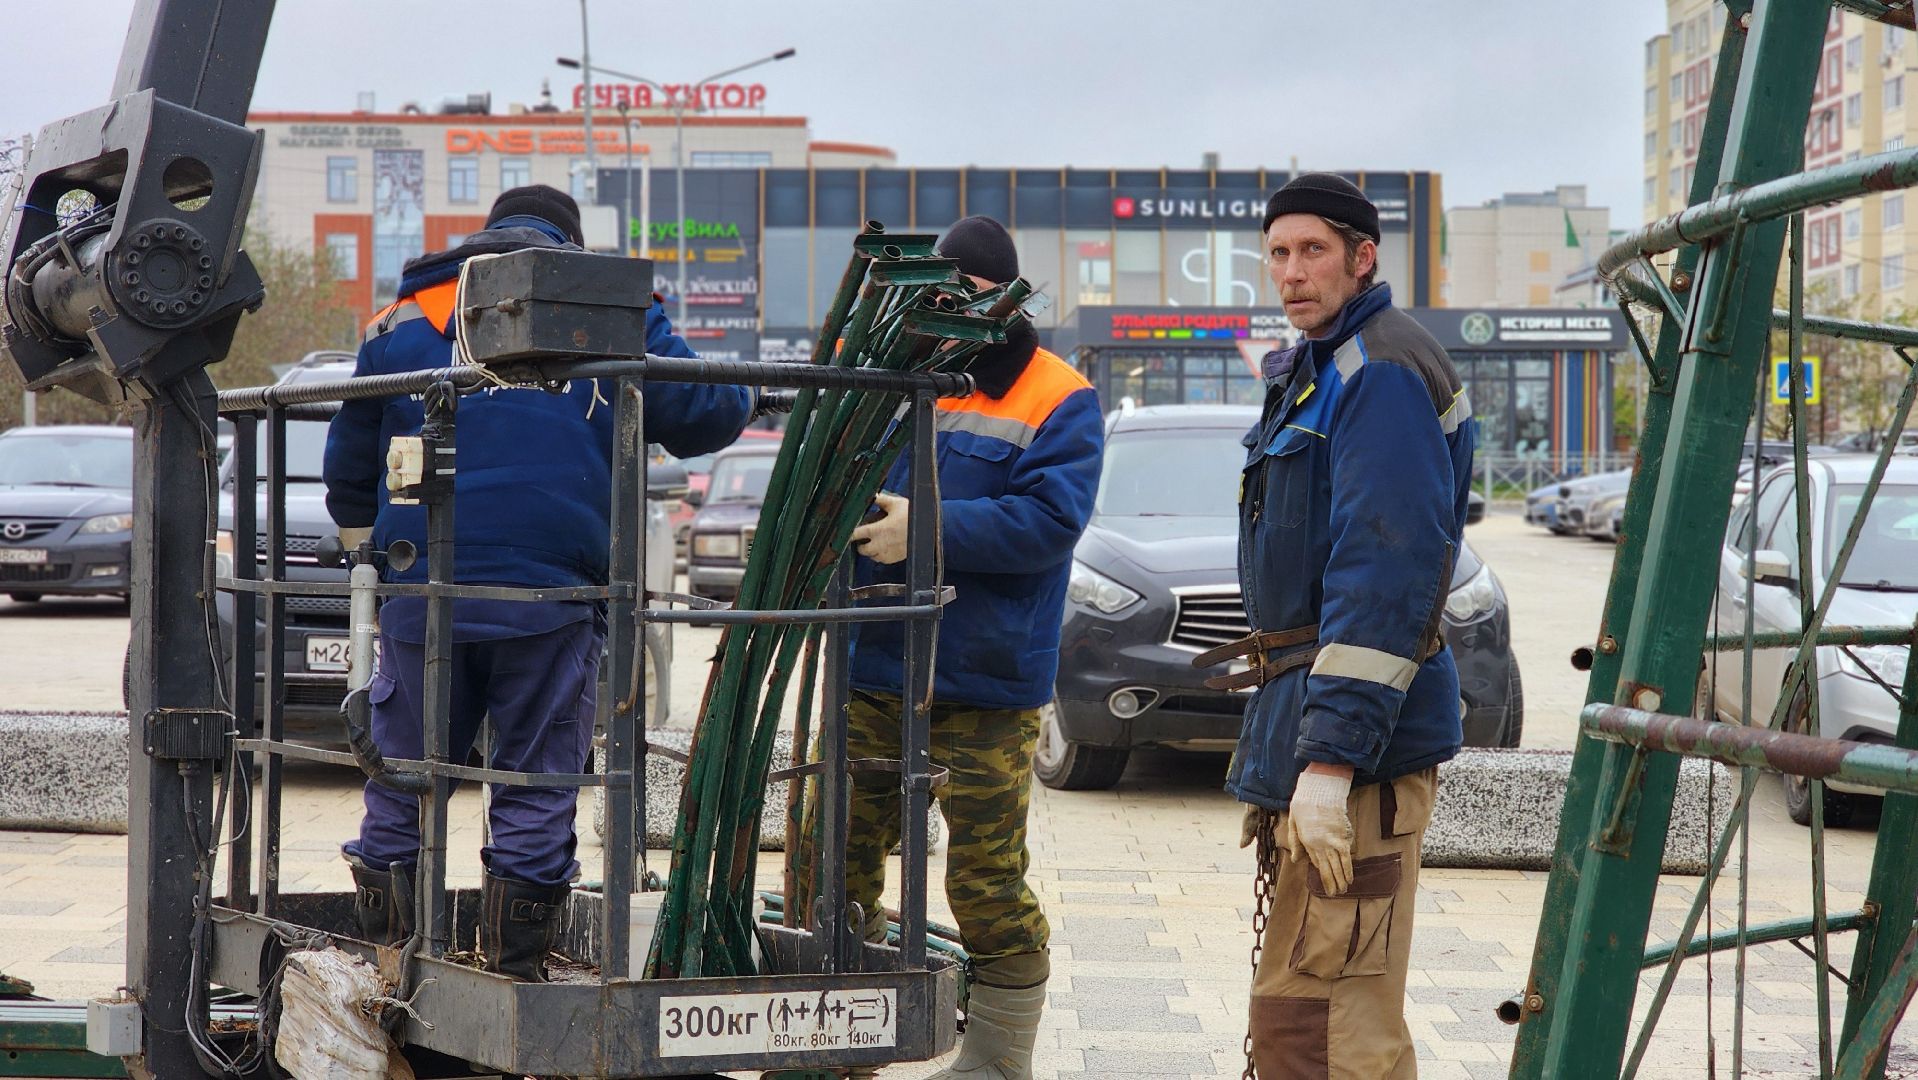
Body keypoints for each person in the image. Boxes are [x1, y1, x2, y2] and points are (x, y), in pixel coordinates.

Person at [323, 184, 754, 981]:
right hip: (551, 599)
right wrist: (679, 340)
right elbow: (713, 408)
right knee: (534, 779)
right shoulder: (607, 308)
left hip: (422, 595)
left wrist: (375, 554)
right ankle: (514, 975)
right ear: (571, 244)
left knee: (405, 780)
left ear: (486, 233)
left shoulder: (408, 315)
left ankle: (388, 967)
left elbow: (348, 472)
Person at [801, 216, 1104, 1080]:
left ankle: (999, 1058)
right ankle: (833, 1042)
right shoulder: (900, 378)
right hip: (873, 665)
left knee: (983, 878)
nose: (942, 311)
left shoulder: (1057, 395)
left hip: (987, 681)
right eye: (930, 298)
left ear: (1001, 298)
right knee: (833, 857)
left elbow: (1049, 523)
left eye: (958, 297)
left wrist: (926, 530)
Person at [1202, 173, 1473, 1077]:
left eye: (1312, 250)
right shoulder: (1323, 368)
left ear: (1364, 258)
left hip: (1361, 750)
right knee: (1299, 1007)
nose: (1290, 272)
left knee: (1334, 1024)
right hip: (1318, 724)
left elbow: (1384, 570)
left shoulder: (1379, 369)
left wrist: (1330, 760)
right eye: (1277, 253)